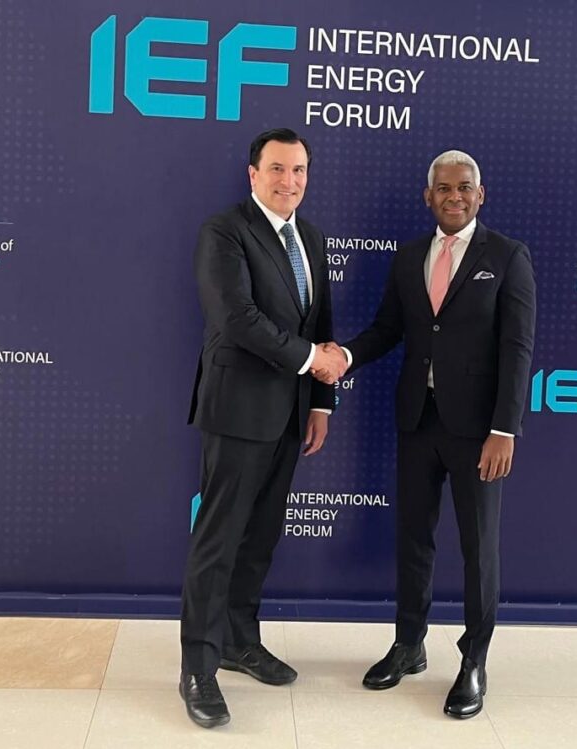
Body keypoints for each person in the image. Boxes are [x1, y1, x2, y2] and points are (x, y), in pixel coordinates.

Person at [325, 149, 536, 719]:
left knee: (478, 549)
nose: (454, 196)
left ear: (480, 194)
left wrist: (504, 429)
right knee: (413, 538)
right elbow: (387, 329)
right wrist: (346, 356)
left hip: (479, 431)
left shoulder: (508, 256)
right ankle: (409, 644)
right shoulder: (409, 255)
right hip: (417, 421)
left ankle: (474, 662)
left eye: (464, 187)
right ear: (428, 196)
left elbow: (518, 349)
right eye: (443, 188)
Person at [181, 128, 348, 729]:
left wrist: (322, 402)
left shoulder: (312, 238)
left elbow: (322, 323)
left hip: (291, 415)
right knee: (218, 540)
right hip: (237, 411)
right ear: (253, 174)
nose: (289, 181)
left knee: (260, 538)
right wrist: (311, 360)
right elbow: (237, 318)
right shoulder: (225, 231)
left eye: (299, 170)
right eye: (277, 168)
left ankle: (238, 642)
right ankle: (198, 669)